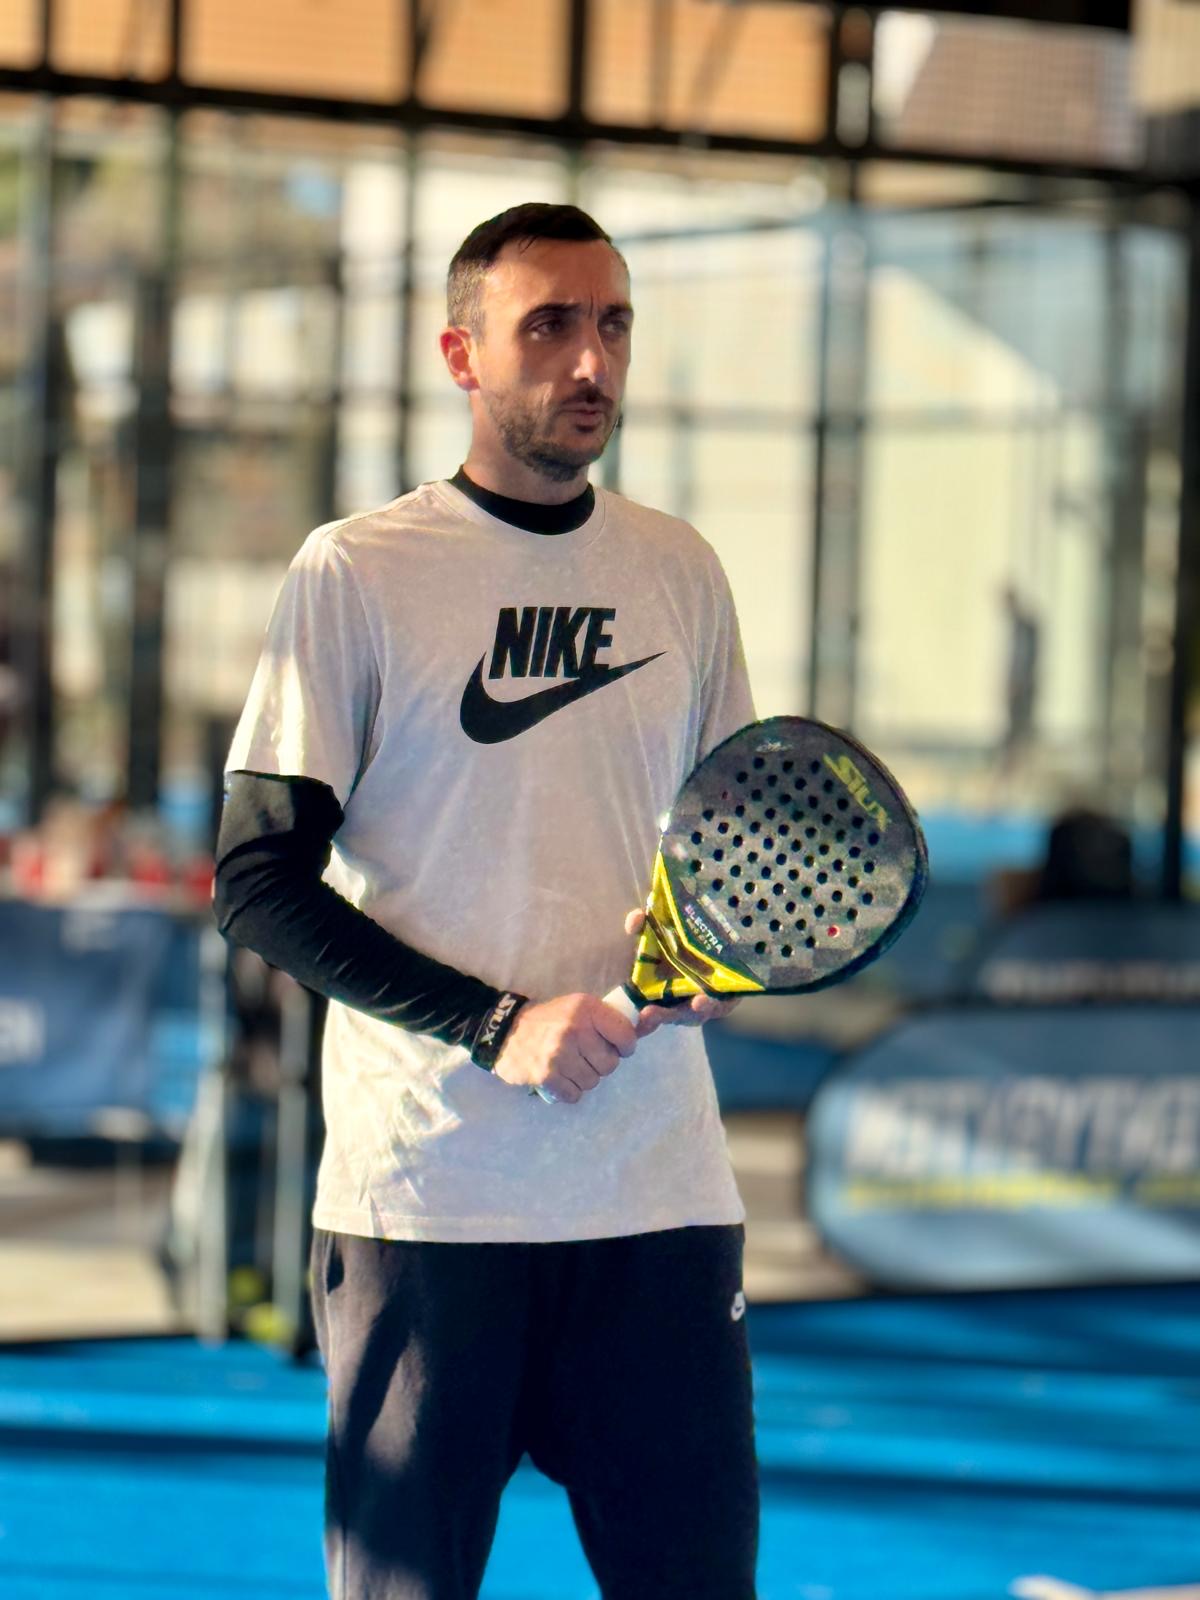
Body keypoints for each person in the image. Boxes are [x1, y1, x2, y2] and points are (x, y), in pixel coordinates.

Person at [213, 202, 760, 1600]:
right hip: (429, 1208)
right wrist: (496, 1021)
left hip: (658, 1201)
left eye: (614, 324)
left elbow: (732, 851)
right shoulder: (358, 571)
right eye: (550, 325)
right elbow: (258, 882)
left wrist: (717, 959)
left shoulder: (681, 570)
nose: (591, 361)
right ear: (462, 355)